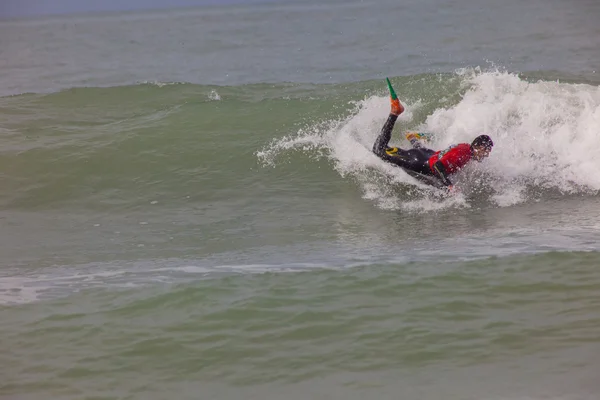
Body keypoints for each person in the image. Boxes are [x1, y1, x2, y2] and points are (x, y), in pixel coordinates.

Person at [372, 79, 494, 191]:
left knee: (416, 150)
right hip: (421, 161)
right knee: (378, 150)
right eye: (486, 151)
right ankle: (395, 112)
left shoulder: (466, 148)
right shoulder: (463, 153)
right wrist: (449, 185)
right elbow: (437, 165)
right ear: (480, 148)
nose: (486, 155)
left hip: (428, 154)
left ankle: (412, 138)